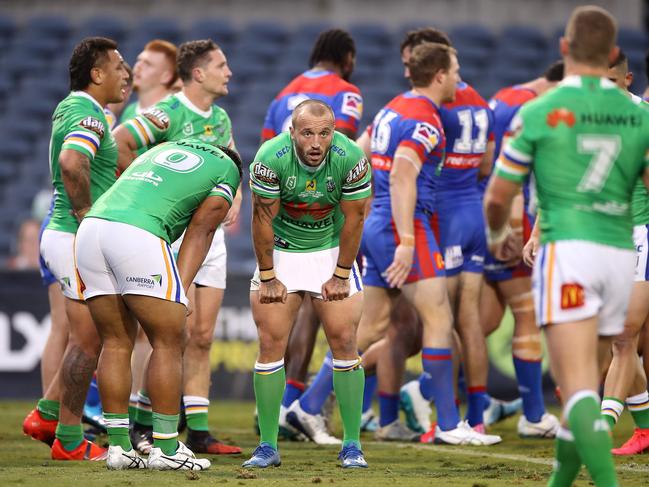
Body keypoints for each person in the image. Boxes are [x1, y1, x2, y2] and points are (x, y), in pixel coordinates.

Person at [484, 6, 649, 485]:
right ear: (614, 54)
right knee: (603, 366)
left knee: (577, 388)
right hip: (621, 253)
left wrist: (501, 235)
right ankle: (561, 479)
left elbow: (498, 196)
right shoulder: (639, 115)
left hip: (569, 254)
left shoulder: (538, 112)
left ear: (563, 49)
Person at [356, 41, 500, 446]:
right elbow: (404, 174)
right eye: (454, 70)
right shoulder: (428, 119)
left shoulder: (394, 106)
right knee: (439, 319)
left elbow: (358, 154)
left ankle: (306, 406)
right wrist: (405, 239)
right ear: (439, 76)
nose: (458, 77)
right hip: (406, 226)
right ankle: (452, 424)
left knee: (369, 328)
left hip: (380, 221)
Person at [75, 139, 241, 470]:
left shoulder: (164, 149)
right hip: (137, 233)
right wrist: (180, 287)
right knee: (171, 339)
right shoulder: (227, 171)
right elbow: (202, 230)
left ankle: (120, 448)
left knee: (116, 341)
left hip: (91, 228)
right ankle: (165, 447)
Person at [114, 39, 242, 455]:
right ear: (199, 73)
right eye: (221, 65)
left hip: (211, 237)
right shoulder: (168, 111)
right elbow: (121, 141)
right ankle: (142, 422)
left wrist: (235, 199)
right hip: (172, 235)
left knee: (202, 335)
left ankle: (199, 430)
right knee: (164, 332)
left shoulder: (220, 117)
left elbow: (233, 157)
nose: (229, 72)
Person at [259, 29, 373, 442]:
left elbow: (268, 154)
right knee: (316, 310)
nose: (316, 139)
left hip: (291, 219)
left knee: (298, 312)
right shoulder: (345, 92)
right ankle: (296, 403)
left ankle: (286, 404)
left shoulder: (285, 92)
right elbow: (336, 152)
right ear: (347, 55)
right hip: (317, 222)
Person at [244, 99, 371, 469]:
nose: (316, 143)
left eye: (324, 133)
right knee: (270, 344)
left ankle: (352, 445)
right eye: (307, 133)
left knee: (346, 341)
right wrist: (268, 275)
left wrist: (341, 273)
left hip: (330, 249)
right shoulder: (270, 157)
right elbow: (261, 218)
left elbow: (356, 218)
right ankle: (267, 446)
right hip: (282, 251)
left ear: (333, 132)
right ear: (293, 133)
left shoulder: (350, 157)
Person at [22, 37, 129, 460]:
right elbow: (71, 162)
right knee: (89, 341)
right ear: (96, 73)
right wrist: (86, 213)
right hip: (72, 234)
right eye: (118, 66)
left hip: (66, 233)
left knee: (87, 338)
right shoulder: (87, 111)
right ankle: (68, 441)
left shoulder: (88, 111)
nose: (126, 74)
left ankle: (47, 414)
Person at [479, 61, 565, 439]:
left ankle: (429, 393)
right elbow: (509, 174)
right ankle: (533, 414)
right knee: (527, 315)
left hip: (485, 217)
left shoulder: (502, 98)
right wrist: (513, 230)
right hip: (513, 222)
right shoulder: (529, 109)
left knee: (481, 322)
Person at [597, 50, 649, 455]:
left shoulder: (640, 117)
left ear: (627, 80)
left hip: (638, 232)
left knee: (625, 333)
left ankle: (603, 422)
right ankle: (645, 429)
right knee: (622, 339)